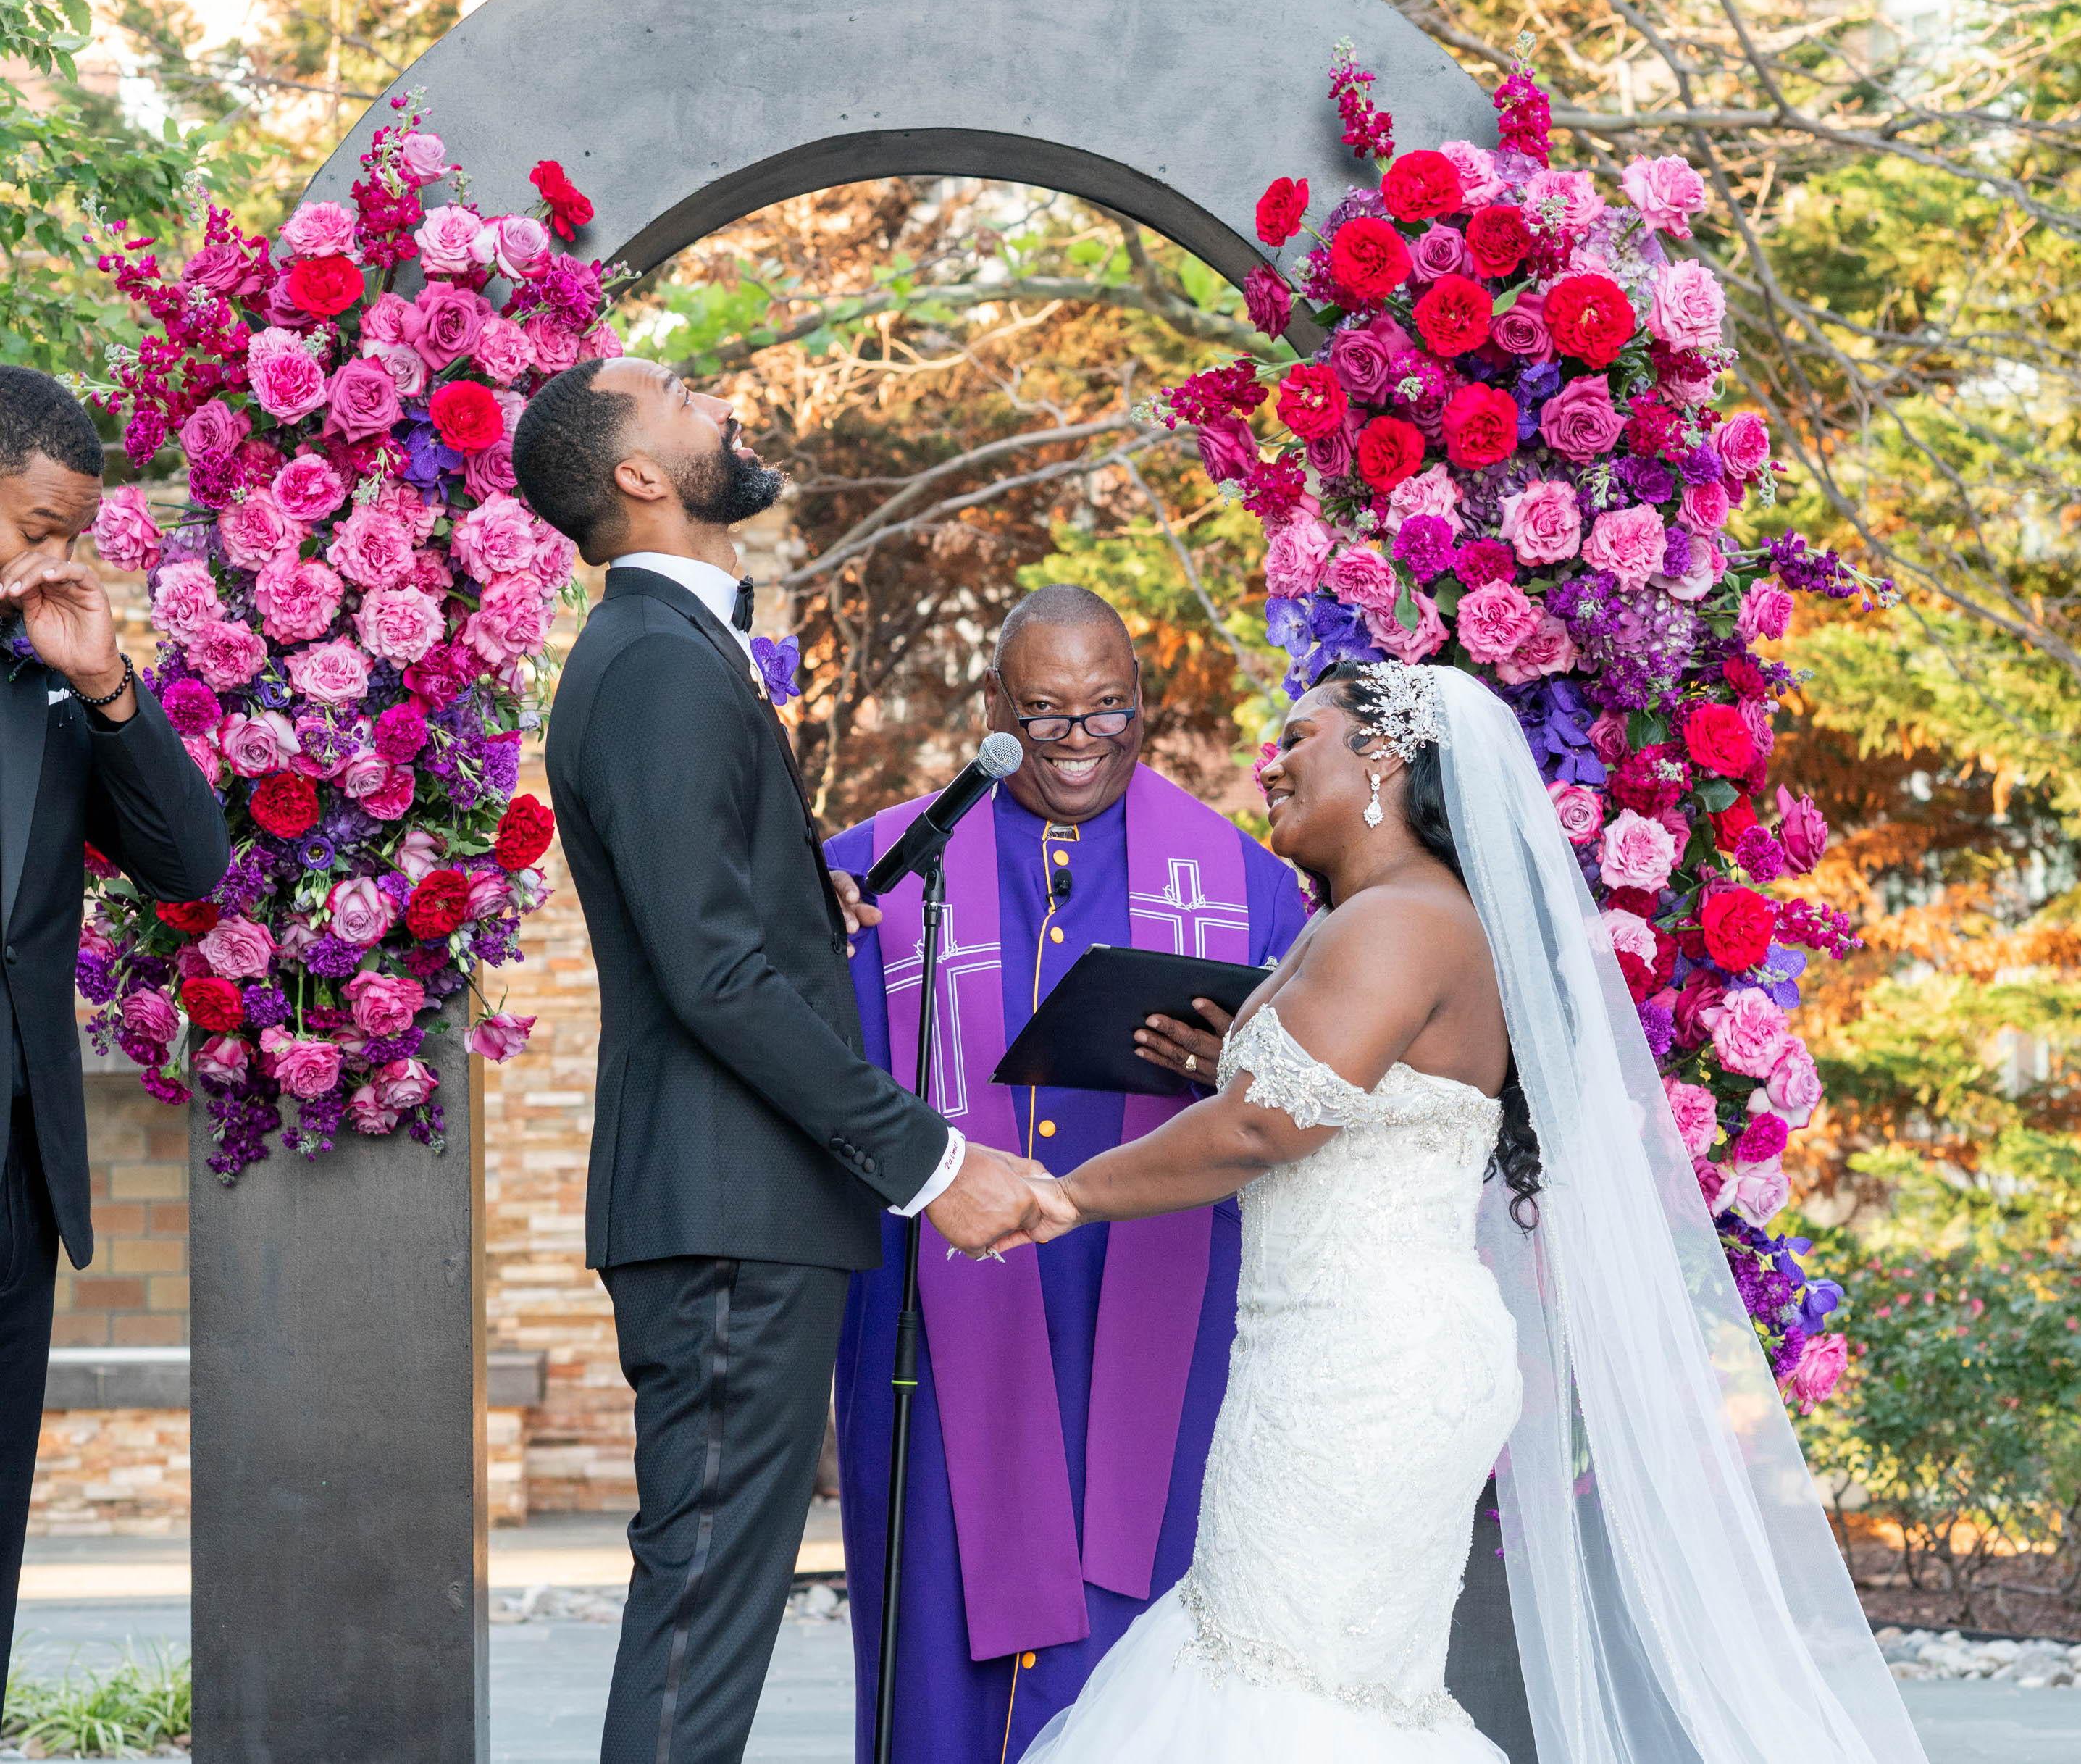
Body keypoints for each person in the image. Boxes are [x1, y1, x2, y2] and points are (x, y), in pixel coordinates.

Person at [1008, 661, 1930, 1764]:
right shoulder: (1392, 916)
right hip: (1350, 1353)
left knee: (1283, 1674)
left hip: (1363, 1368)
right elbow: (1345, 1105)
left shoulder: (1396, 921)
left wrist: (1060, 1192)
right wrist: (1238, 1068)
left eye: (1299, 737)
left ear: (1384, 758)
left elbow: (1261, 1132)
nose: (1271, 764)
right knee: (1323, 1681)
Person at [514, 357, 1048, 1764]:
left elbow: (714, 923)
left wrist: (808, 900)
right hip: (726, 1213)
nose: (723, 404)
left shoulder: (677, 651)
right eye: (683, 393)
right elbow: (711, 975)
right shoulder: (654, 664)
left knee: (710, 1603)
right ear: (638, 472)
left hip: (737, 1209)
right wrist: (932, 1162)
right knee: (702, 1608)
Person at [821, 583, 1312, 1764]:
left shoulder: (1246, 884)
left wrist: (1233, 1067)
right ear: (993, 707)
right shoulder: (870, 874)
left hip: (1146, 1300)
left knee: (1133, 1600)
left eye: (1107, 709)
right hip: (930, 1307)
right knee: (937, 1601)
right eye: (1045, 712)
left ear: (1142, 698)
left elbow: (1300, 1106)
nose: (1079, 739)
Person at [0, 367, 229, 1709]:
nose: (56, 560)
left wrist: (109, 688)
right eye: (38, 526)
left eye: (75, 534)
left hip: (15, 1178)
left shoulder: (50, 672)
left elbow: (191, 866)